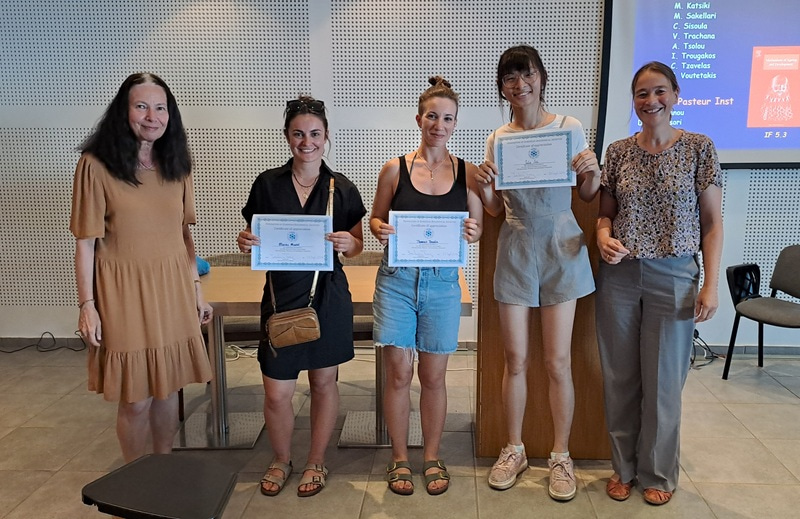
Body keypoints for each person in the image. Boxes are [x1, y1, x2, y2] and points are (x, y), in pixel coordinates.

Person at [473, 45, 602, 501]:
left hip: (561, 244)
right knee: (515, 360)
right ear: (502, 87)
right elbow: (493, 208)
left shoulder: (568, 127)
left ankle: (561, 455)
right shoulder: (499, 137)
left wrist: (592, 172)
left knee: (558, 360)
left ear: (542, 79)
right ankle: (514, 449)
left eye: (526, 75)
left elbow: (587, 195)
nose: (519, 85)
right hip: (514, 245)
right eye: (510, 78)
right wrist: (487, 186)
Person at [596, 61, 722, 506]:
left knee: (665, 381)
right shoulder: (617, 152)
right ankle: (623, 468)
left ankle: (657, 473)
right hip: (621, 277)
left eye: (660, 91)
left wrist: (709, 285)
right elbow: (605, 213)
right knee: (620, 377)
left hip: (675, 276)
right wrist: (602, 235)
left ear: (676, 94)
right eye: (642, 93)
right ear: (633, 101)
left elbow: (710, 223)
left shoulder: (698, 149)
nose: (651, 101)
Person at [70, 72, 213, 463]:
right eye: (141, 106)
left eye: (161, 107)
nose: (153, 116)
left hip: (173, 290)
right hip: (123, 294)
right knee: (136, 400)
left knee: (168, 391)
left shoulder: (176, 164)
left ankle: (162, 470)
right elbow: (85, 242)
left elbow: (184, 234)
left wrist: (196, 289)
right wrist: (87, 305)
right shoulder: (95, 165)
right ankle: (134, 480)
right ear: (124, 111)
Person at [237, 96, 366, 498]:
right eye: (298, 134)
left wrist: (350, 242)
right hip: (279, 298)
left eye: (314, 134)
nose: (306, 142)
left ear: (326, 137)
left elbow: (358, 243)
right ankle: (280, 458)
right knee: (277, 391)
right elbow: (253, 236)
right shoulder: (267, 184)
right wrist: (245, 241)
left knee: (324, 383)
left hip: (327, 298)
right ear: (287, 137)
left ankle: (315, 460)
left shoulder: (341, 188)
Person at [370, 76, 483, 497]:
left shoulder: (466, 173)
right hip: (397, 281)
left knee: (434, 376)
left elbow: (477, 230)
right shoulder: (393, 168)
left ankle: (431, 455)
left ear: (456, 124)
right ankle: (400, 458)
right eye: (432, 116)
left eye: (447, 118)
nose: (439, 124)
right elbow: (376, 219)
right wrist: (380, 228)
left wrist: (472, 231)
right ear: (419, 118)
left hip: (442, 283)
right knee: (399, 373)